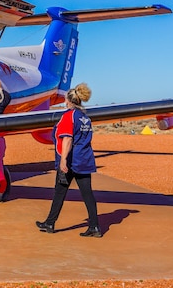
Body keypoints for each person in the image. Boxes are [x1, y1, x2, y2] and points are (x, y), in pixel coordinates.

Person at [36, 82, 101, 237]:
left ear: (69, 101)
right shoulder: (85, 117)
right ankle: (95, 227)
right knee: (87, 194)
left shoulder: (68, 116)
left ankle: (50, 223)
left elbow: (67, 139)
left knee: (59, 192)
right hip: (85, 159)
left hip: (72, 161)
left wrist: (63, 160)